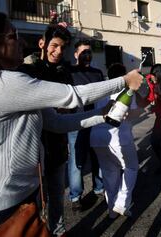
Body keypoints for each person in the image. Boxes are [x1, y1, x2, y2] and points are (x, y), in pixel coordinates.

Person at [0, 10, 142, 236]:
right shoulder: (1, 82)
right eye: (13, 36)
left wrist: (101, 115)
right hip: (2, 204)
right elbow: (74, 95)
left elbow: (55, 122)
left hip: (22, 192)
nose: (21, 42)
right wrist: (124, 80)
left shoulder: (9, 80)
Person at [19, 23, 74, 236]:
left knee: (57, 196)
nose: (58, 52)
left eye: (63, 47)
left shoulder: (64, 72)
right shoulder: (26, 71)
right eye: (55, 45)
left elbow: (71, 106)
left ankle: (59, 231)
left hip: (58, 147)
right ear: (42, 43)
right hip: (31, 152)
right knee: (35, 202)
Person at [91, 63, 140, 218]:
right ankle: (122, 203)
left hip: (97, 137)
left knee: (109, 173)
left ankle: (112, 209)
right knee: (131, 168)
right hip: (120, 137)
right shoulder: (126, 90)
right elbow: (131, 114)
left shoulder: (102, 89)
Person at [67, 39, 104, 212]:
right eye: (83, 52)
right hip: (76, 123)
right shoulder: (69, 72)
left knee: (98, 157)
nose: (87, 55)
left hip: (96, 121)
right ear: (75, 54)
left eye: (89, 52)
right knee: (76, 161)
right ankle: (75, 196)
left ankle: (99, 187)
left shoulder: (97, 73)